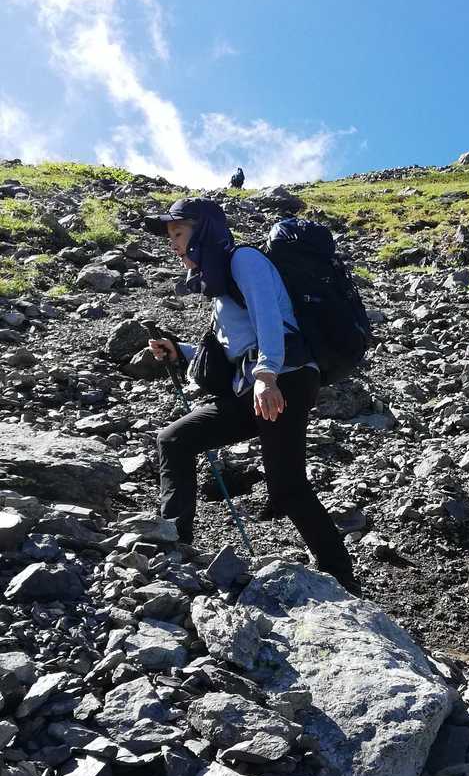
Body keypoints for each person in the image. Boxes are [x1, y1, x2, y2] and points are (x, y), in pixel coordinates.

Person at [144, 197, 360, 593]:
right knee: (174, 439)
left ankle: (343, 579)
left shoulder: (244, 260)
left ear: (203, 231)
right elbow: (235, 349)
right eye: (169, 236)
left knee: (287, 487)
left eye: (178, 232)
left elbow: (269, 320)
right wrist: (181, 352)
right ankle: (174, 542)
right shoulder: (218, 284)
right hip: (255, 385)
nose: (172, 244)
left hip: (285, 378)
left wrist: (266, 374)